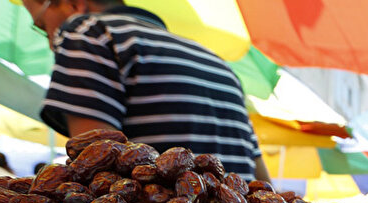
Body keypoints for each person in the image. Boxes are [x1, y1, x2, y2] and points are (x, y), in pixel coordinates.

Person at [23, 0, 269, 181]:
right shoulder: (218, 63)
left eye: (42, 25)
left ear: (74, 5)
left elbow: (95, 167)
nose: (49, 41)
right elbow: (262, 183)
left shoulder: (90, 31)